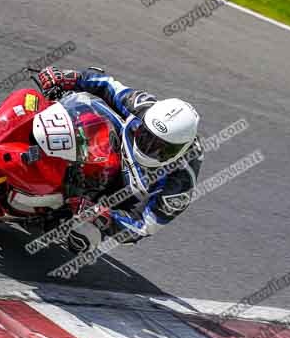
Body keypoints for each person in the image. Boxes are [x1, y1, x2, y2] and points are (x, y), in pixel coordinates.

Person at [37, 66, 203, 256]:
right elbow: (108, 85)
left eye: (161, 148)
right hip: (116, 145)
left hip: (122, 196)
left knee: (85, 237)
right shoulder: (144, 107)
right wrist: (71, 77)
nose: (149, 147)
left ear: (180, 149)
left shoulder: (181, 181)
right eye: (146, 136)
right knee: (79, 105)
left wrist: (104, 215)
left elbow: (143, 226)